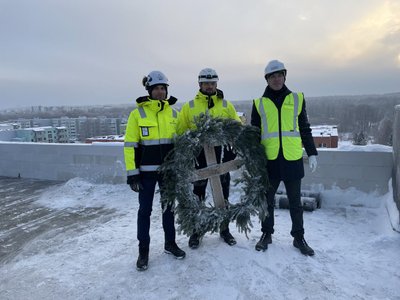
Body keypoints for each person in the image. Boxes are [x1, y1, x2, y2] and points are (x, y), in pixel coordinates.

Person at [251, 60, 318, 256]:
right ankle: (266, 234)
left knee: (295, 203)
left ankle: (299, 237)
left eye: (279, 75)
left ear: (285, 76)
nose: (276, 79)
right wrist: (253, 159)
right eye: (272, 76)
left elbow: (304, 128)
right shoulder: (259, 103)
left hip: (292, 159)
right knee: (267, 201)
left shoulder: (297, 99)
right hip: (269, 161)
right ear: (267, 79)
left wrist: (312, 152)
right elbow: (254, 134)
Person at [124, 70, 186, 271]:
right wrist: (132, 173)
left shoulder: (175, 114)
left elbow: (182, 144)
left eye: (163, 88)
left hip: (168, 172)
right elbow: (130, 146)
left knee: (169, 209)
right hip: (146, 174)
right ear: (149, 91)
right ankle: (144, 251)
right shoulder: (137, 114)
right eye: (156, 89)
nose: (160, 92)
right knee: (145, 211)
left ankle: (170, 244)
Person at [177, 68, 241, 249]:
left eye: (212, 83)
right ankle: (196, 232)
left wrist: (233, 146)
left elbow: (235, 127)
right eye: (206, 83)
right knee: (198, 195)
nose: (209, 86)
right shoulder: (189, 107)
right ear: (200, 85)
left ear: (216, 84)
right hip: (199, 158)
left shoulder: (226, 105)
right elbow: (180, 132)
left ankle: (224, 229)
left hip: (222, 157)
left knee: (223, 194)